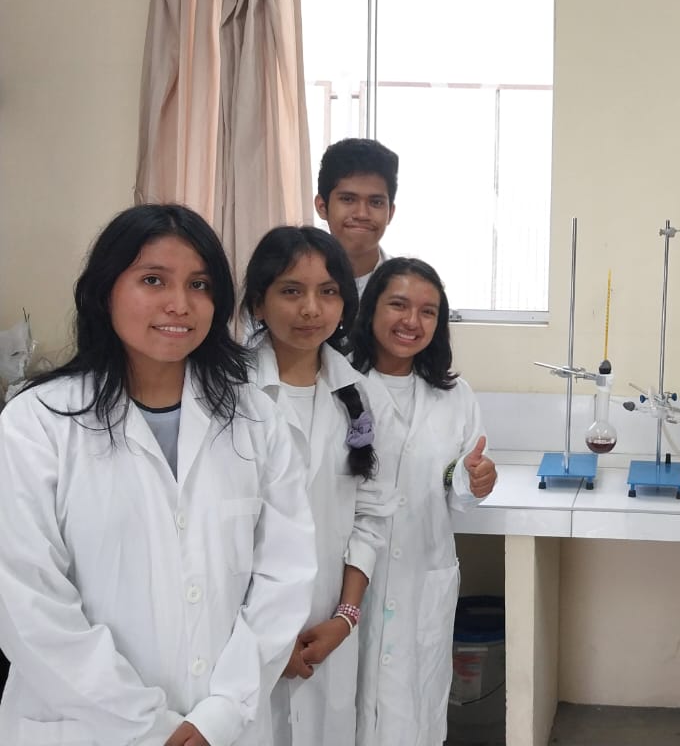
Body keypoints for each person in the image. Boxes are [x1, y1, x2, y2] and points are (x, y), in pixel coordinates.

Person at [0, 204, 316, 746]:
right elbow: (26, 602)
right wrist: (148, 726)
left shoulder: (257, 419)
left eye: (199, 284)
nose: (180, 304)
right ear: (106, 291)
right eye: (153, 280)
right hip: (88, 728)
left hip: (224, 726)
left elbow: (285, 577)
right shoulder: (37, 422)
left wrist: (221, 713)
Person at [240, 226, 396, 746]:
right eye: (291, 290)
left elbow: (370, 515)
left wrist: (345, 618)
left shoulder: (359, 396)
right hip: (240, 634)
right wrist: (266, 637)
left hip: (327, 631)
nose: (311, 309)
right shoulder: (225, 394)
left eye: (328, 292)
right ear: (258, 302)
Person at [350, 258, 497, 745]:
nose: (412, 321)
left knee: (414, 714)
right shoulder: (340, 384)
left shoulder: (454, 395)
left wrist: (473, 478)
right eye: (399, 305)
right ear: (372, 309)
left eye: (428, 312)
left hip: (422, 575)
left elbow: (456, 475)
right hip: (350, 579)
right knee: (345, 711)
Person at [314, 138, 399, 296]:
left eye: (376, 202)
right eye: (348, 199)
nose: (362, 214)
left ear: (390, 213)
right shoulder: (292, 281)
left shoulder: (408, 288)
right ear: (322, 206)